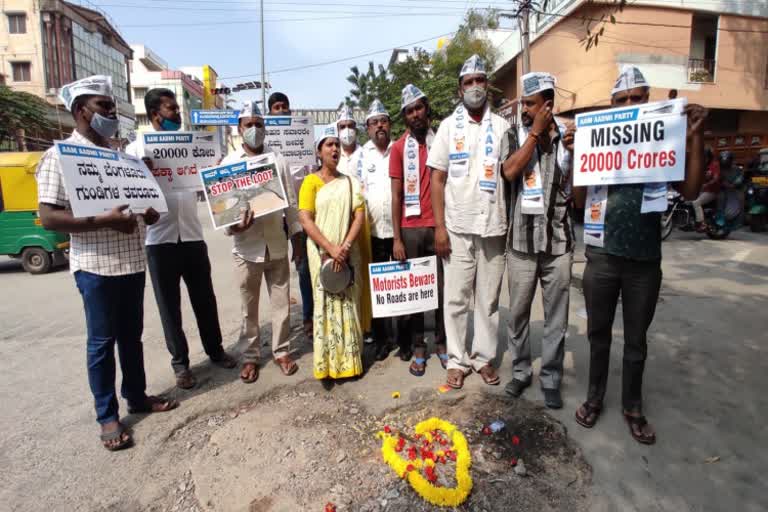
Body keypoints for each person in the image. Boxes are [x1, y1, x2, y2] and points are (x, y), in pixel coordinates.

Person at [36, 75, 177, 451]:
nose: (111, 113)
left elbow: (147, 209)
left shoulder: (123, 157)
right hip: (95, 266)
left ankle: (136, 395)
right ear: (82, 111)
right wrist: (104, 221)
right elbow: (49, 217)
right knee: (101, 343)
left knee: (131, 337)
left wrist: (147, 214)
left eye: (112, 106)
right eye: (103, 106)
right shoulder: (60, 156)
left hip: (132, 262)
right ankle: (107, 416)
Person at [572, 65, 707, 444]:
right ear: (613, 105)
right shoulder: (600, 140)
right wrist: (580, 152)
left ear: (647, 101)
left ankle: (633, 406)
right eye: (622, 100)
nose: (630, 104)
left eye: (636, 98)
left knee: (636, 341)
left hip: (644, 261)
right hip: (601, 257)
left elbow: (693, 190)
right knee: (598, 335)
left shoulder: (664, 140)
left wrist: (695, 136)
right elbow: (580, 203)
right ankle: (594, 398)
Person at [125, 88, 236, 390]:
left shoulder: (192, 146)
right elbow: (130, 194)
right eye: (171, 109)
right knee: (169, 308)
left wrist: (217, 168)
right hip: (159, 240)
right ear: (154, 115)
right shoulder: (136, 151)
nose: (177, 114)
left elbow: (212, 181)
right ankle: (181, 365)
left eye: (176, 109)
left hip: (192, 236)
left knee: (205, 300)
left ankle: (215, 350)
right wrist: (141, 174)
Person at [427, 55, 510, 389]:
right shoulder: (449, 127)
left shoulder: (503, 127)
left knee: (488, 299)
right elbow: (436, 179)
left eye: (480, 80)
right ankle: (459, 360)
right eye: (468, 82)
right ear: (460, 89)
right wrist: (439, 227)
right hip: (458, 227)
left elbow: (512, 174)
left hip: (493, 225)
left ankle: (483, 358)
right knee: (457, 298)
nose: (475, 87)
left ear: (487, 85)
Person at [501, 72, 575, 409]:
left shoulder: (569, 138)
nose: (524, 109)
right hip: (521, 243)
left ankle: (551, 378)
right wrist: (534, 134)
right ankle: (520, 371)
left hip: (558, 242)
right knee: (517, 313)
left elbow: (580, 191)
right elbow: (509, 172)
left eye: (531, 104)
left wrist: (573, 153)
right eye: (523, 103)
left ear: (547, 105)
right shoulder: (513, 134)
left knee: (556, 318)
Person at [221, 101, 302, 383]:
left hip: (277, 243)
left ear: (265, 128)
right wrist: (234, 226)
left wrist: (298, 241)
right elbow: (223, 214)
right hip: (246, 248)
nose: (254, 129)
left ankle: (282, 352)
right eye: (248, 125)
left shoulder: (278, 160)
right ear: (239, 129)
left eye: (258, 124)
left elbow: (291, 204)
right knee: (249, 309)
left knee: (281, 305)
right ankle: (250, 357)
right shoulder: (228, 165)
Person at [298, 125, 366, 384]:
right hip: (321, 253)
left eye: (337, 144)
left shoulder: (349, 182)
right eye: (329, 144)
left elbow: (358, 214)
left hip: (347, 252)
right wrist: (330, 248)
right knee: (326, 305)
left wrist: (345, 247)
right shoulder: (310, 182)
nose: (335, 149)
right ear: (319, 151)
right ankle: (328, 365)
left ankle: (351, 362)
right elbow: (305, 219)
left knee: (348, 303)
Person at [389, 84, 447, 376]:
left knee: (440, 289)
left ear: (427, 109)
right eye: (409, 111)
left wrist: (443, 226)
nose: (415, 114)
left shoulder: (442, 140)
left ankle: (442, 342)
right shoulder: (399, 148)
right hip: (410, 229)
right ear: (405, 117)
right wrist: (397, 238)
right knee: (415, 295)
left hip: (437, 226)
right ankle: (419, 347)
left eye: (419, 108)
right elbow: (396, 195)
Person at [268, 92, 315, 341]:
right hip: (273, 217)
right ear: (269, 113)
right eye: (276, 107)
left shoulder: (302, 139)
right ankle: (281, 327)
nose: (282, 110)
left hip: (300, 215)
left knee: (304, 268)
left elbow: (313, 174)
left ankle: (308, 317)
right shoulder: (265, 148)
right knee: (277, 273)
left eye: (285, 107)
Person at [359, 99, 396, 361]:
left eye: (383, 121)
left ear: (390, 125)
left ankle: (404, 338)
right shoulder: (362, 154)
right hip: (373, 233)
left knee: (404, 284)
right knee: (379, 289)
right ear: (368, 128)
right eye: (374, 122)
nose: (379, 126)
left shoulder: (401, 149)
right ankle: (383, 339)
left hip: (400, 231)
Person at [692, 147, 720, 231]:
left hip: (712, 191)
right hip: (703, 191)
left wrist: (706, 185)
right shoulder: (702, 165)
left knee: (696, 203)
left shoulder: (714, 165)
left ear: (709, 156)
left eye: (705, 156)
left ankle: (701, 223)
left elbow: (716, 178)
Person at [336, 105, 363, 177]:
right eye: (342, 127)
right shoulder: (334, 156)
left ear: (355, 130)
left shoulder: (365, 154)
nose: (347, 130)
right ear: (337, 131)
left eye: (350, 126)